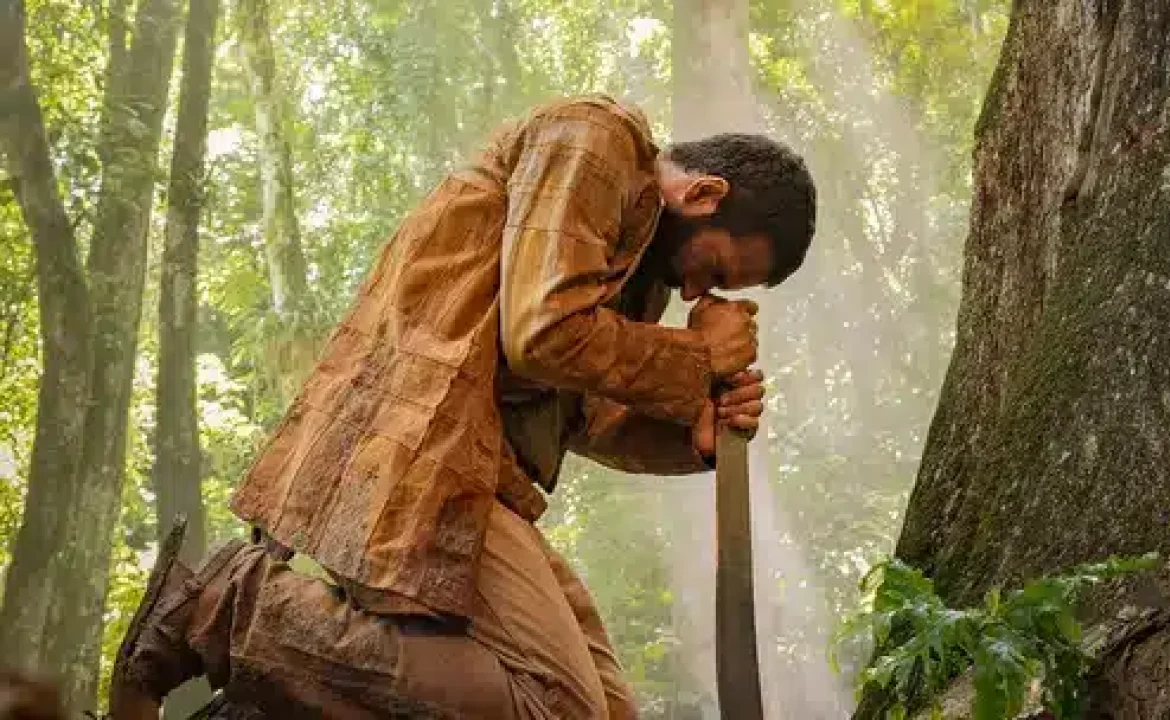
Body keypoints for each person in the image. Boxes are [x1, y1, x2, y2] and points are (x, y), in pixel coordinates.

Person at [109, 94, 816, 719]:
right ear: (702, 195)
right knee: (558, 709)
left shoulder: (638, 270)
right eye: (716, 271)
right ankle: (225, 605)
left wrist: (688, 439)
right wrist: (698, 359)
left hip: (479, 482)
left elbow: (578, 418)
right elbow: (542, 334)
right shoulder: (596, 141)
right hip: (414, 448)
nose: (697, 297)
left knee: (608, 711)